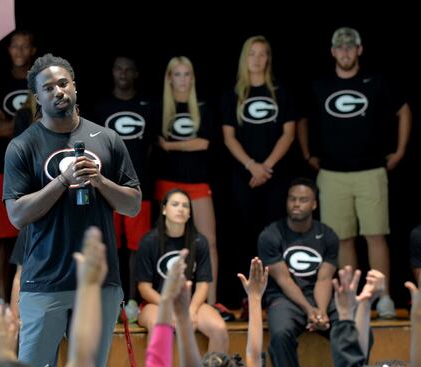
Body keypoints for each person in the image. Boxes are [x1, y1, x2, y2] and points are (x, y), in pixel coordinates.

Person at [2, 53, 141, 367]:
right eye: (48, 87)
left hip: (99, 283)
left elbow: (133, 205)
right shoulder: (23, 146)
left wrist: (100, 180)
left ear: (75, 86)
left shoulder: (107, 139)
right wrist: (62, 181)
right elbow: (16, 215)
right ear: (38, 97)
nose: (58, 91)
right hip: (44, 282)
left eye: (63, 83)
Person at [298, 27, 412, 319]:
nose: (345, 52)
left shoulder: (376, 82)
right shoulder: (320, 85)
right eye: (340, 47)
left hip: (371, 171)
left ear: (359, 50)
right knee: (343, 239)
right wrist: (308, 154)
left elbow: (404, 111)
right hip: (333, 174)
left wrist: (398, 152)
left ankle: (383, 296)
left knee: (375, 235)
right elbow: (302, 119)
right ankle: (351, 295)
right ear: (333, 51)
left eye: (351, 47)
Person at [222, 35, 297, 278]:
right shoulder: (233, 95)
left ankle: (276, 288)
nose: (257, 59)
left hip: (274, 174)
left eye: (262, 54)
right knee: (245, 231)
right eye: (252, 53)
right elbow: (228, 137)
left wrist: (266, 167)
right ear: (245, 58)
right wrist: (251, 165)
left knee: (275, 231)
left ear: (268, 59)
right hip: (243, 175)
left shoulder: (280, 92)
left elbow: (288, 134)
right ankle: (247, 291)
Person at [258, 178, 339, 367]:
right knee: (280, 334)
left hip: (320, 297)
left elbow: (324, 279)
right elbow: (284, 279)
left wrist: (320, 310)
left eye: (303, 200)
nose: (296, 204)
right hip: (284, 298)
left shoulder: (327, 235)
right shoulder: (270, 235)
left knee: (352, 327)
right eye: (292, 199)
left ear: (314, 204)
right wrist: (309, 309)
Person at [153, 56, 218, 305]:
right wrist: (180, 147)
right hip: (167, 183)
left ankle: (211, 301)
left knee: (209, 241)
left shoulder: (202, 107)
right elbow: (154, 146)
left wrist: (171, 145)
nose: (183, 80)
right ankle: (160, 299)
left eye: (187, 74)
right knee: (163, 241)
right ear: (169, 78)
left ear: (192, 78)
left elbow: (204, 142)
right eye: (177, 74)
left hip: (197, 181)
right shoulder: (159, 109)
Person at [135, 188, 228, 352]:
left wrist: (191, 311)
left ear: (190, 213)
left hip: (192, 303)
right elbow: (144, 288)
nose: (180, 209)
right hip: (156, 303)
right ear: (164, 209)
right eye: (175, 204)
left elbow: (203, 285)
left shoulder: (199, 242)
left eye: (185, 206)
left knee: (219, 329)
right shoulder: (149, 241)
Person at [94, 55, 155, 301]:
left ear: (135, 74)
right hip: (107, 188)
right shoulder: (101, 108)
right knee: (109, 246)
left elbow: (152, 147)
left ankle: (131, 300)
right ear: (112, 72)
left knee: (136, 248)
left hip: (138, 188)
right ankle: (110, 298)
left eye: (128, 69)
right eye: (118, 68)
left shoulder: (147, 107)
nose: (123, 73)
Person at [0, 30, 35, 303]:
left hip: (34, 173)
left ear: (32, 50)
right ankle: (3, 299)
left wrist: (15, 125)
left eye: (24, 46)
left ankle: (29, 294)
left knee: (29, 232)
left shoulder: (39, 82)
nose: (18, 51)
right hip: (3, 167)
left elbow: (44, 126)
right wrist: (21, 126)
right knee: (3, 236)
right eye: (14, 46)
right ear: (8, 49)